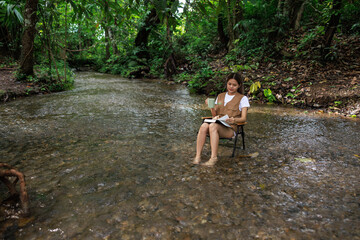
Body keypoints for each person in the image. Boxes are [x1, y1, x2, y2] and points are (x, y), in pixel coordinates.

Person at [193, 72, 250, 166]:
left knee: (213, 126)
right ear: (226, 83)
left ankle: (213, 158)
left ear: (239, 85)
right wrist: (211, 106)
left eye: (234, 85)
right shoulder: (220, 96)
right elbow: (215, 114)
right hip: (218, 123)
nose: (231, 87)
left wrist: (234, 120)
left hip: (231, 128)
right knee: (203, 125)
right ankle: (198, 156)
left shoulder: (243, 99)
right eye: (229, 84)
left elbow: (243, 118)